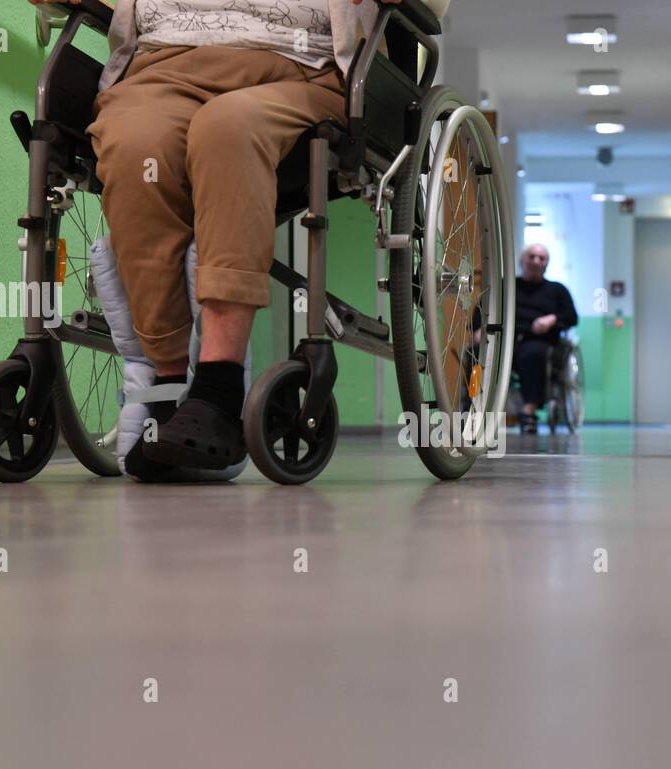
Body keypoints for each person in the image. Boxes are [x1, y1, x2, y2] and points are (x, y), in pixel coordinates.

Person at [30, 0, 449, 479]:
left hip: (300, 66)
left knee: (227, 127)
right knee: (133, 148)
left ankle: (219, 389)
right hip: (160, 64)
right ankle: (168, 391)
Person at [513, 244, 578, 434]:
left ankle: (528, 411)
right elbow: (483, 309)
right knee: (476, 352)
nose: (536, 261)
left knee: (533, 354)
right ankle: (469, 410)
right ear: (521, 261)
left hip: (539, 341)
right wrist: (477, 330)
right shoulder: (507, 286)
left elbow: (572, 317)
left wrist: (553, 318)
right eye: (531, 256)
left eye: (541, 258)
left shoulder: (557, 290)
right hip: (506, 340)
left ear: (546, 264)